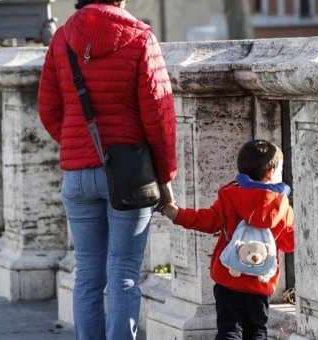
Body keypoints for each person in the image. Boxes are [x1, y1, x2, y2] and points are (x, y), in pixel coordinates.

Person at [37, 0, 176, 339]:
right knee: (124, 273)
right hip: (131, 176)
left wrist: (77, 146)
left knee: (87, 272)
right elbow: (159, 116)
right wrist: (165, 177)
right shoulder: (140, 37)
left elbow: (48, 108)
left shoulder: (62, 38)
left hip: (78, 176)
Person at [161, 140, 294, 340]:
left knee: (229, 329)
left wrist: (178, 214)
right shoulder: (282, 206)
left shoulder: (230, 195)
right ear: (270, 172)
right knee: (257, 330)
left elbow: (206, 221)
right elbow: (288, 243)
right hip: (260, 282)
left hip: (228, 279)